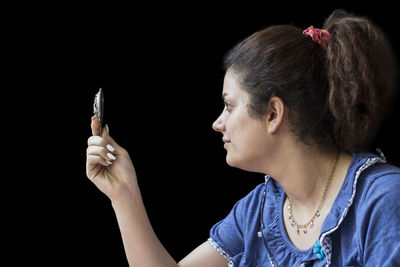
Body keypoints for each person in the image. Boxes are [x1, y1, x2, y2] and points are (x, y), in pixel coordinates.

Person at [86, 9, 400, 266]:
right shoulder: (259, 210)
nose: (217, 123)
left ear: (273, 114)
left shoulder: (383, 200)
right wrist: (124, 195)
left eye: (228, 105)